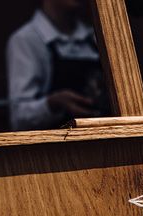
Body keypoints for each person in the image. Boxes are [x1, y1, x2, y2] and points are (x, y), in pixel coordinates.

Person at [6, 0, 106, 130]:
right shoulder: (26, 40)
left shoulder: (94, 37)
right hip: (58, 144)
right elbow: (20, 118)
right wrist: (53, 104)